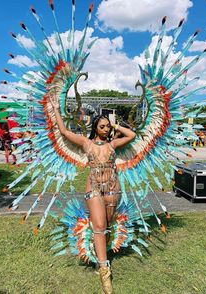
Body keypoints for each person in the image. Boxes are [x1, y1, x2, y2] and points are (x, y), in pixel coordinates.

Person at [49, 95, 135, 294]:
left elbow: (131, 136)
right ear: (95, 127)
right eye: (102, 126)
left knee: (107, 227)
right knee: (98, 227)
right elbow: (63, 131)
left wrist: (117, 125)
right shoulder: (86, 144)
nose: (106, 130)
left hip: (113, 188)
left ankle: (100, 255)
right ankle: (105, 271)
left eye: (107, 127)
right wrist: (55, 109)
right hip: (94, 187)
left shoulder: (113, 145)